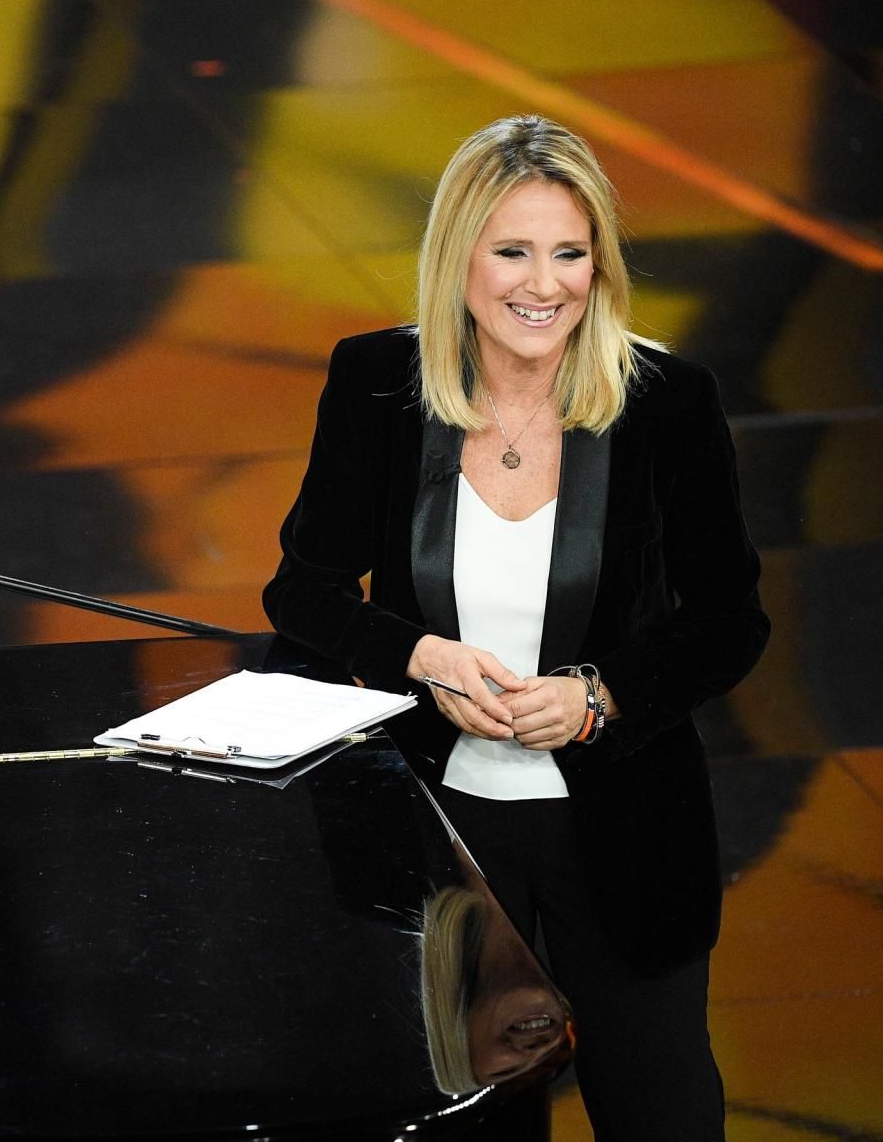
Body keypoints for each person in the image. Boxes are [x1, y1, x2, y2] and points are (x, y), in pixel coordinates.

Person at [263, 115, 768, 1138]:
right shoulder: (376, 385)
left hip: (626, 832)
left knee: (663, 1110)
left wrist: (599, 697)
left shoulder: (668, 402)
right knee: (476, 1121)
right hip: (438, 834)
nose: (545, 285)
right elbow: (303, 593)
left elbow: (729, 621)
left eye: (570, 253)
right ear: (460, 257)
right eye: (513, 252)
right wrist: (416, 655)